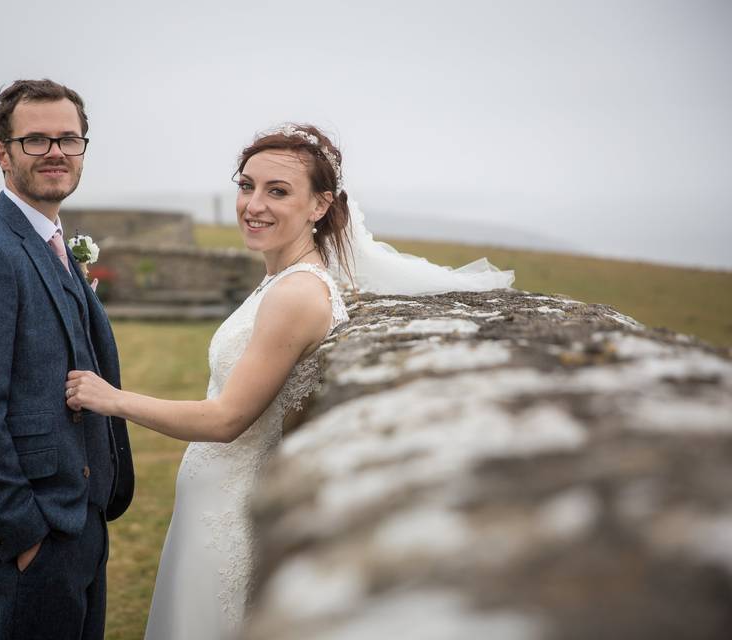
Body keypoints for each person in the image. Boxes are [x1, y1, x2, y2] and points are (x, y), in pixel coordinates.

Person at [64, 123, 513, 639]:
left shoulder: (297, 294)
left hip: (230, 514)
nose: (253, 204)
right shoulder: (279, 280)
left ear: (320, 206)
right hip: (208, 503)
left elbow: (227, 418)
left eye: (277, 192)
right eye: (246, 185)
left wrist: (112, 398)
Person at [0, 78, 134, 640]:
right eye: (36, 140)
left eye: (69, 140)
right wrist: (25, 538)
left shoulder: (51, 242)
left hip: (81, 518)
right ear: (3, 152)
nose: (55, 152)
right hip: (33, 535)